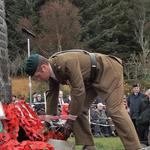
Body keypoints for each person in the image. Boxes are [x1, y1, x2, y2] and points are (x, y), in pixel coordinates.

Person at [25, 50, 141, 150]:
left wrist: (70, 121)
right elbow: (52, 94)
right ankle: (89, 146)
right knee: (77, 109)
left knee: (115, 110)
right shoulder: (51, 72)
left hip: (108, 70)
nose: (38, 80)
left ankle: (134, 147)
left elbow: (78, 91)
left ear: (44, 68)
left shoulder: (65, 62)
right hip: (90, 79)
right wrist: (47, 121)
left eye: (37, 76)